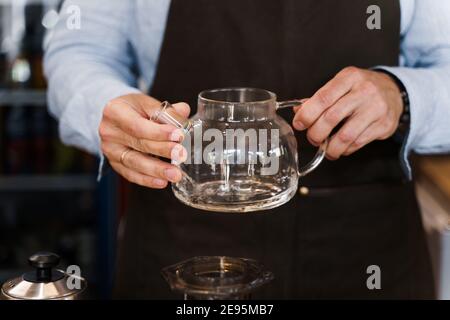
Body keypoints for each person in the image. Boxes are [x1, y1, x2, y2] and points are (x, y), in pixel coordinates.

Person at [45, 0, 450, 299]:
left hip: (366, 253)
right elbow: (81, 50)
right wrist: (106, 105)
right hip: (184, 242)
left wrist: (401, 94)